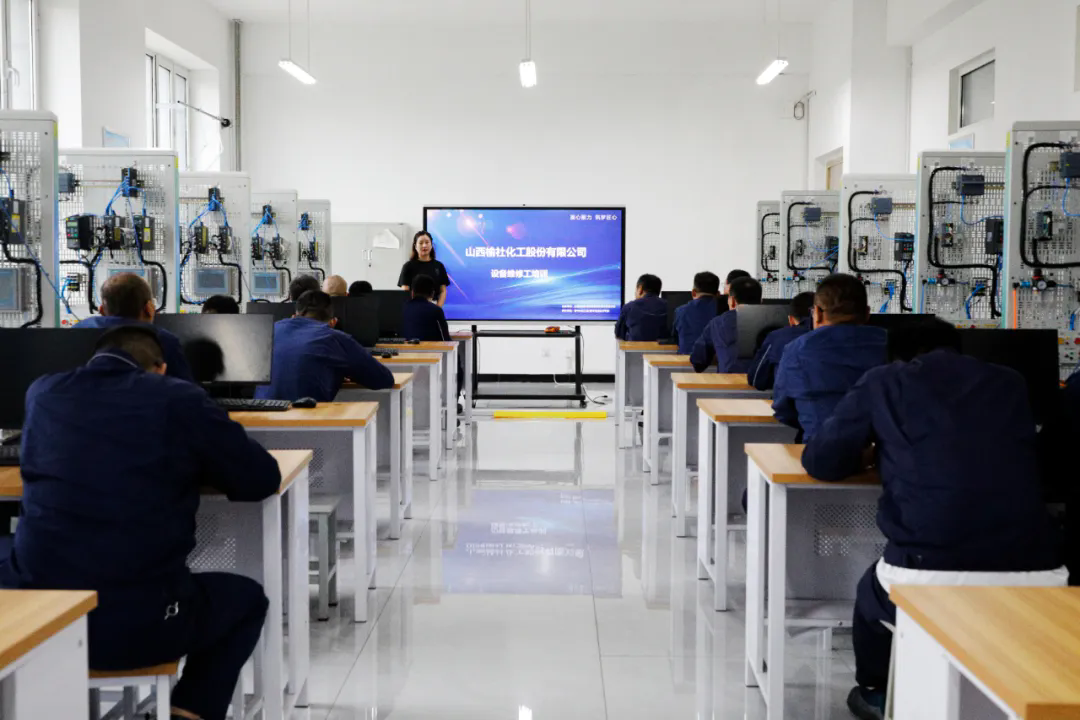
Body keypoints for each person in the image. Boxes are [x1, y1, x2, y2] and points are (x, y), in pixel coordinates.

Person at [0, 325, 282, 720]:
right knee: (247, 599)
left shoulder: (42, 393)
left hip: (44, 620)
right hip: (139, 626)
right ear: (160, 368)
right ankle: (188, 711)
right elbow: (261, 479)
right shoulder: (177, 398)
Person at [802, 318, 1066, 720]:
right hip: (1038, 569)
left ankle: (876, 691)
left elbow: (822, 460)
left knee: (869, 594)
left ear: (896, 356)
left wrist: (874, 450)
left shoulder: (883, 380)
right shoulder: (1010, 381)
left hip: (927, 571)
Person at [772, 273, 886, 441]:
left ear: (816, 313)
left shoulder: (796, 350)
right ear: (867, 313)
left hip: (821, 450)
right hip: (884, 453)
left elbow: (783, 410)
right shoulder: (892, 345)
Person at [256, 290, 394, 401]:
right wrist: (343, 371)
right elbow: (384, 379)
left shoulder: (268, 331)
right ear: (332, 323)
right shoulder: (334, 338)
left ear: (294, 316)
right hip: (307, 425)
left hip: (259, 420)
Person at [74, 272, 193, 382]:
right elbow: (188, 390)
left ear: (102, 311)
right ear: (148, 309)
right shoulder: (163, 340)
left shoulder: (76, 332)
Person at [691, 276, 762, 373]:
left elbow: (698, 360)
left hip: (728, 383)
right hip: (765, 385)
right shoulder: (774, 323)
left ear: (732, 301)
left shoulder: (717, 323)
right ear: (761, 302)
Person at [747, 291, 814, 391]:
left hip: (786, 402)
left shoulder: (777, 337)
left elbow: (756, 379)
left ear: (790, 319)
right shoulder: (836, 337)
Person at [672, 271, 720, 354]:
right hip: (716, 361)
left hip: (685, 361)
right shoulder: (725, 311)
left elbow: (675, 338)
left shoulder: (680, 311)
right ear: (718, 294)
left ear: (693, 292)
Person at [398, 231, 450, 306]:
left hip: (433, 305)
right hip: (413, 307)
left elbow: (443, 291)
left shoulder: (439, 266)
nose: (424, 245)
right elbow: (405, 291)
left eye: (427, 242)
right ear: (415, 246)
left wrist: (437, 309)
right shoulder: (408, 266)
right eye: (421, 243)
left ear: (431, 245)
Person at [614, 273, 667, 342]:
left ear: (640, 288)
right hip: (664, 352)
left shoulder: (629, 307)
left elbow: (619, 334)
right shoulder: (670, 307)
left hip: (634, 351)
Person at [403, 275, 450, 341]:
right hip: (432, 350)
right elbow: (446, 339)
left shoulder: (403, 308)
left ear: (412, 292)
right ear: (432, 294)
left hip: (404, 350)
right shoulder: (436, 310)